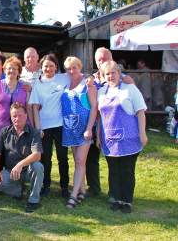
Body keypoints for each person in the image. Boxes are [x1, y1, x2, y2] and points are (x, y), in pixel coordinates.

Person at [97, 61, 148, 213]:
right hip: (109, 139)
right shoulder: (101, 92)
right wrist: (98, 137)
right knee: (113, 170)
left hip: (129, 137)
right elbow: (100, 117)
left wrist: (142, 133)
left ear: (119, 74)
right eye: (107, 73)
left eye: (113, 72)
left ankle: (127, 201)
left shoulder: (130, 89)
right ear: (104, 76)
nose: (111, 76)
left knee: (127, 170)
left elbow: (140, 111)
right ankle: (116, 198)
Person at [90, 47, 134, 197]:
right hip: (96, 124)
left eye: (105, 58)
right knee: (92, 158)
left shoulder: (122, 78)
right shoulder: (92, 79)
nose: (102, 61)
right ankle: (95, 188)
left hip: (116, 127)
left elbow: (134, 102)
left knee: (117, 161)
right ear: (95, 62)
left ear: (111, 59)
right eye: (99, 59)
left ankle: (118, 193)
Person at [30, 53, 70, 198]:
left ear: (56, 67)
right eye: (46, 66)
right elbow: (34, 107)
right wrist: (38, 128)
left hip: (61, 125)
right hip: (44, 127)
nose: (48, 69)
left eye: (51, 66)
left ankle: (64, 187)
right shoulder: (38, 84)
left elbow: (80, 75)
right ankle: (45, 186)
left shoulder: (63, 78)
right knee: (46, 158)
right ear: (42, 67)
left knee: (63, 157)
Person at [0, 103, 44, 213]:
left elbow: (37, 155)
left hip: (28, 171)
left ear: (26, 116)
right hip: (10, 171)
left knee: (38, 166)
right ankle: (19, 190)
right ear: (11, 117)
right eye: (14, 116)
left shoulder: (34, 132)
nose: (17, 118)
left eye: (20, 115)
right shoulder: (4, 132)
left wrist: (20, 164)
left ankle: (33, 201)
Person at [61, 57, 97, 208]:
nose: (71, 71)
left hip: (84, 129)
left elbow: (94, 107)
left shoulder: (88, 83)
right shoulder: (66, 83)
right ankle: (82, 190)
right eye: (68, 68)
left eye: (74, 67)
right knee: (77, 160)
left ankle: (73, 195)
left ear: (80, 67)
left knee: (81, 161)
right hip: (70, 128)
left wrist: (89, 128)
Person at [0, 56, 28, 149]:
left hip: (20, 130)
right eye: (9, 68)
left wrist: (33, 127)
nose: (11, 71)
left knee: (16, 160)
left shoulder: (24, 87)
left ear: (19, 71)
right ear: (4, 70)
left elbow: (29, 108)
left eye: (15, 68)